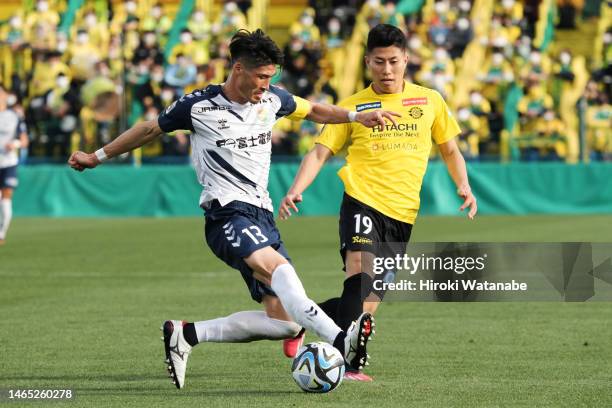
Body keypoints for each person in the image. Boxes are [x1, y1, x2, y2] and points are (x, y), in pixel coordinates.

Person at [68, 29, 400, 389]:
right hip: (227, 212)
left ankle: (187, 334)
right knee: (280, 271)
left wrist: (354, 116)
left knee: (284, 323)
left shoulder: (272, 100)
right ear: (238, 69)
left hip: (262, 216)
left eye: (270, 77)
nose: (265, 85)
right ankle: (340, 338)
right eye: (261, 77)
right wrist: (96, 157)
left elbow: (315, 109)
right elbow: (149, 129)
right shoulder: (199, 106)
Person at [279, 24, 478, 381]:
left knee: (366, 306)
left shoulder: (428, 100)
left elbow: (450, 149)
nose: (387, 70)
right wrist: (296, 189)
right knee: (359, 275)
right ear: (367, 61)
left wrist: (463, 184)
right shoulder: (353, 107)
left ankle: (300, 321)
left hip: (402, 214)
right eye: (379, 63)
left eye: (394, 62)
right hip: (361, 200)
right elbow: (320, 152)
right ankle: (349, 365)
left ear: (406, 60)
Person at [0, 85, 29, 245]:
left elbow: (25, 140)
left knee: (6, 197)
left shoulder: (13, 116)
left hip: (8, 162)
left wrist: (15, 143)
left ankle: (1, 234)